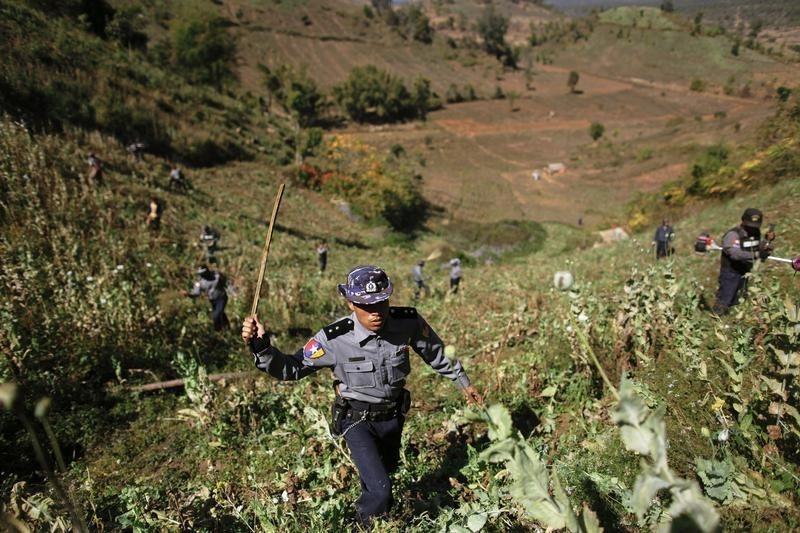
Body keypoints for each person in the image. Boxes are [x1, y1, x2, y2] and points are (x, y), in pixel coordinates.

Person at [241, 265, 483, 527]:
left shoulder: (407, 322)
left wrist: (464, 383)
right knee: (381, 490)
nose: (375, 312)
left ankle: (373, 513)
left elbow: (435, 353)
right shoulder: (333, 338)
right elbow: (291, 368)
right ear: (350, 304)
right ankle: (366, 525)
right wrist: (261, 346)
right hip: (357, 419)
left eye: (381, 303)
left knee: (385, 473)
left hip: (392, 417)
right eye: (365, 306)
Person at [713, 208, 775, 316]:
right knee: (725, 298)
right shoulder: (733, 235)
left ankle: (732, 322)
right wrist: (755, 255)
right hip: (731, 272)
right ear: (743, 221)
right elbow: (734, 253)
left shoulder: (755, 233)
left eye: (754, 226)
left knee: (740, 298)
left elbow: (756, 247)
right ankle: (716, 320)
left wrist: (766, 242)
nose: (752, 228)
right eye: (749, 225)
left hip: (745, 271)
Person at [183, 265, 229, 331]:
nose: (203, 275)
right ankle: (227, 328)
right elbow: (196, 293)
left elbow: (226, 283)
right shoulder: (199, 282)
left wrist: (234, 292)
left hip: (221, 298)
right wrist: (188, 294)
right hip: (213, 300)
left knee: (216, 315)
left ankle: (218, 330)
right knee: (220, 313)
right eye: (201, 274)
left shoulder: (217, 276)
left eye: (204, 273)